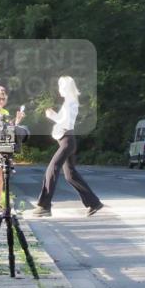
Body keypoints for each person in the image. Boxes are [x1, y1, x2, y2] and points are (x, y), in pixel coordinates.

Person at [30, 76, 103, 217]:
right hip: (67, 140)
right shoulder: (69, 102)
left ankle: (44, 206)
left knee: (52, 169)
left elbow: (66, 123)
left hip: (67, 141)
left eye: (61, 86)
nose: (59, 89)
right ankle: (94, 203)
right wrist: (55, 116)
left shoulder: (70, 102)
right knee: (70, 175)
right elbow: (64, 120)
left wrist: (52, 116)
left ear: (66, 87)